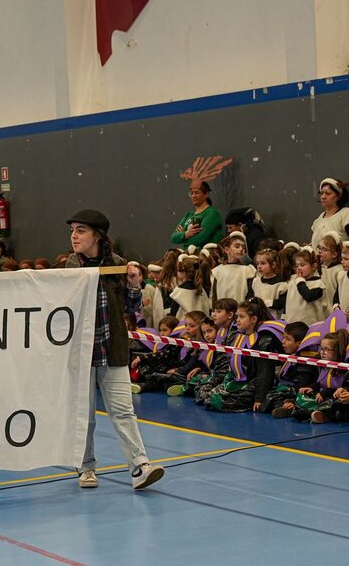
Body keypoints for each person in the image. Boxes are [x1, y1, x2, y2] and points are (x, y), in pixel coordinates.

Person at [64, 209, 164, 490]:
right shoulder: (69, 268)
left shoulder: (119, 266)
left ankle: (140, 467)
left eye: (80, 230)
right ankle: (85, 467)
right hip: (80, 354)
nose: (74, 236)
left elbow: (132, 309)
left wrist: (134, 285)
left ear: (97, 235)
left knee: (123, 411)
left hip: (113, 350)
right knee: (85, 415)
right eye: (72, 230)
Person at [204, 299, 281, 412]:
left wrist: (258, 399)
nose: (238, 320)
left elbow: (264, 374)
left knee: (219, 401)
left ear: (253, 319)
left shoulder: (264, 341)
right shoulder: (235, 336)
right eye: (237, 316)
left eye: (241, 317)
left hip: (253, 385)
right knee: (206, 396)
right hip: (237, 381)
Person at [171, 181, 225, 249]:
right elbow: (173, 237)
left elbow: (200, 239)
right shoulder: (189, 215)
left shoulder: (211, 213)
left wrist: (183, 239)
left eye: (197, 192)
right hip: (189, 256)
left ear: (206, 194)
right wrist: (186, 234)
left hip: (207, 257)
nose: (193, 196)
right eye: (191, 193)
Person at [310, 178, 349, 246]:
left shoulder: (348, 215)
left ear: (339, 196)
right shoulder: (318, 221)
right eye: (322, 193)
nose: (323, 196)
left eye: (328, 193)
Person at [211, 231, 256, 302]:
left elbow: (250, 294)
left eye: (243, 247)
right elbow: (214, 295)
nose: (241, 249)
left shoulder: (248, 271)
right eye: (237, 246)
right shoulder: (218, 271)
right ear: (227, 250)